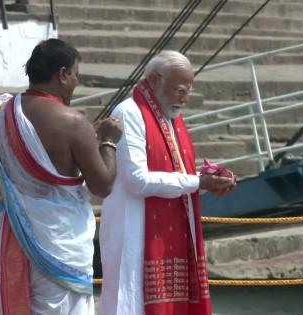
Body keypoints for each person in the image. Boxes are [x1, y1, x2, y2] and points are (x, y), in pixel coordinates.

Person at [0, 38, 122, 314]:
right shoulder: (74, 122)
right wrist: (108, 141)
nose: (75, 83)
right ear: (62, 74)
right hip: (61, 241)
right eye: (75, 76)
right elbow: (103, 185)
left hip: (16, 235)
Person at [98, 50, 236, 315]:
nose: (184, 98)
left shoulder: (171, 119)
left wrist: (211, 182)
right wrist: (197, 181)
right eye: (179, 89)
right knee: (130, 305)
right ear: (153, 80)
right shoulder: (130, 113)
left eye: (188, 91)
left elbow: (180, 178)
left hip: (167, 233)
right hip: (133, 233)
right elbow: (136, 181)